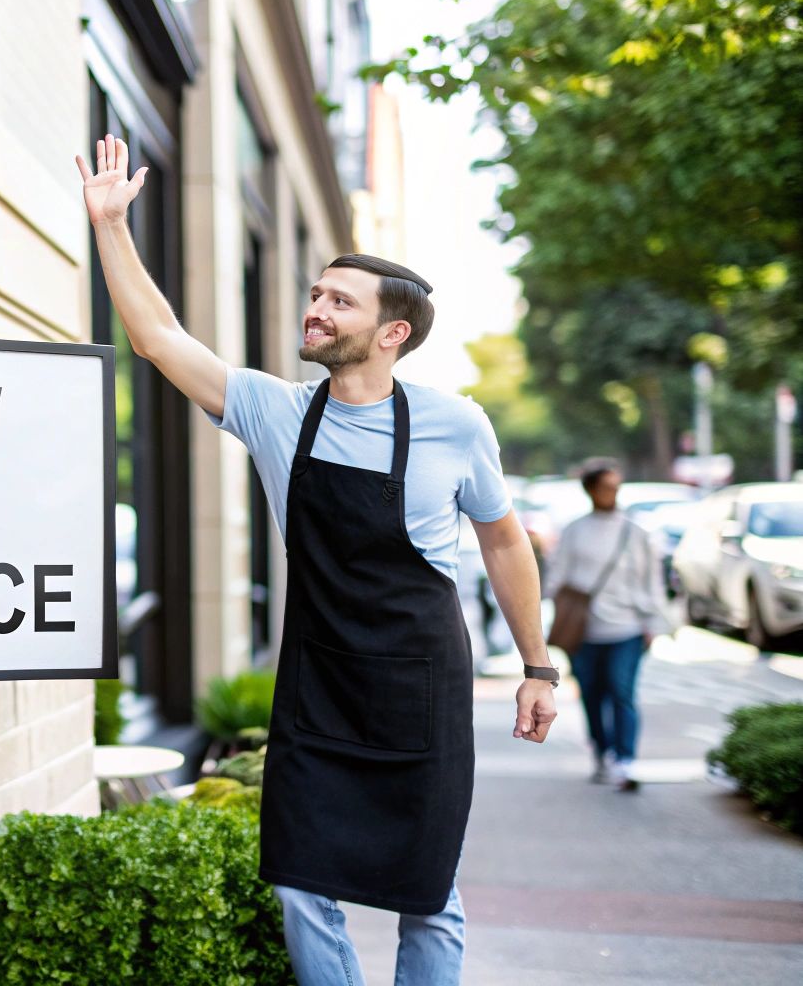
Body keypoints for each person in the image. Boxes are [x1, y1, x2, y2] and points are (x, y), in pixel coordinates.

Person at [78, 135, 557, 984]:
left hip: (423, 689)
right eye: (316, 294)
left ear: (391, 333)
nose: (317, 309)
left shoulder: (456, 423)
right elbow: (157, 338)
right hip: (319, 685)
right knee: (301, 884)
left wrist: (537, 667)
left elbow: (504, 539)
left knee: (429, 893)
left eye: (340, 302)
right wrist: (111, 226)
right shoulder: (274, 410)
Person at [544, 460, 671, 791]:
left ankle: (624, 759)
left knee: (621, 691)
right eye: (605, 487)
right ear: (590, 489)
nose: (612, 493)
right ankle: (601, 751)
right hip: (584, 630)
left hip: (628, 627)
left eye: (616, 487)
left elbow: (652, 581)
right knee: (591, 694)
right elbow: (556, 579)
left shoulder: (636, 532)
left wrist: (654, 623)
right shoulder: (575, 531)